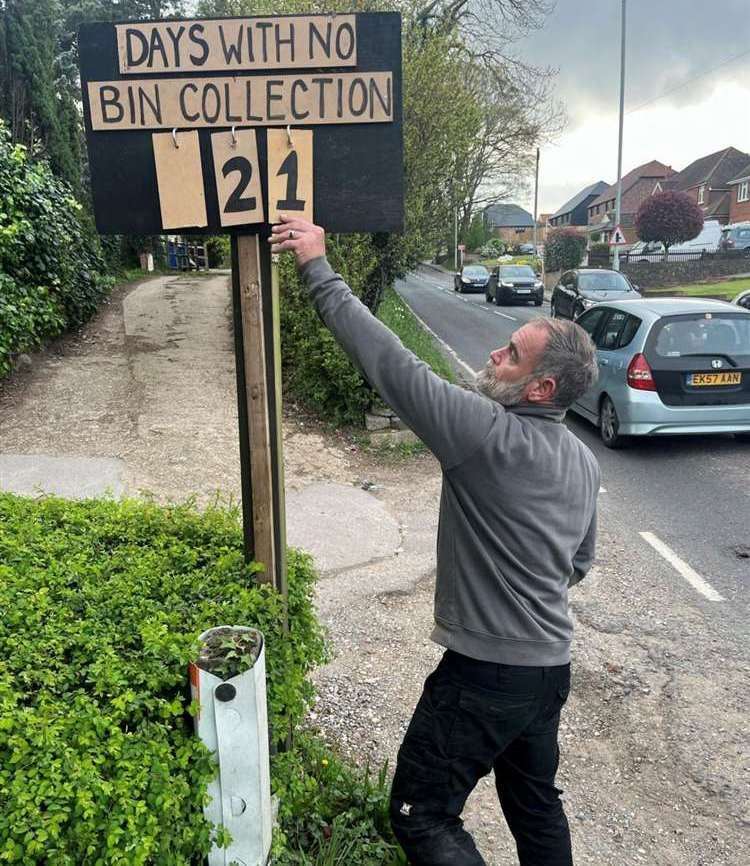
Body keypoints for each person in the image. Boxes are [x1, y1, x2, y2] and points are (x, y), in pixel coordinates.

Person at [270, 215, 600, 866]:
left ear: (540, 388)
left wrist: (318, 267)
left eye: (510, 354)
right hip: (549, 671)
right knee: (537, 810)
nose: (492, 355)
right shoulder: (583, 461)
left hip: (485, 676)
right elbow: (578, 564)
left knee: (421, 815)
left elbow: (390, 364)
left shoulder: (484, 434)